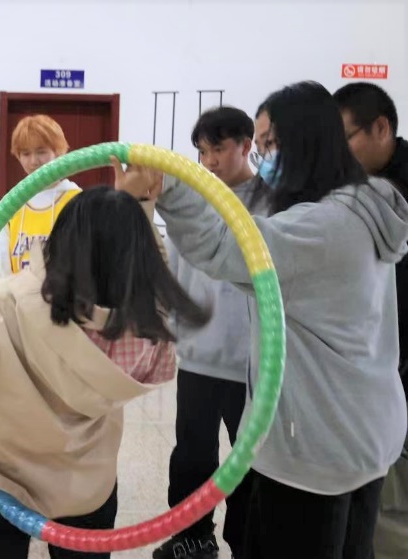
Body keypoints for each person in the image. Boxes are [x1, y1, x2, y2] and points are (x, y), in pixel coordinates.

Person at [114, 81, 408, 559]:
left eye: (269, 144)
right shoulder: (364, 206)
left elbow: (224, 248)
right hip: (363, 434)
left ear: (306, 142)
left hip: (317, 447)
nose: (264, 156)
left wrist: (168, 184)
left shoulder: (324, 226)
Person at [0, 186, 211, 559]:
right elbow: (156, 286)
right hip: (85, 484)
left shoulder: (0, 302)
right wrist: (143, 205)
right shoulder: (145, 330)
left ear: (61, 237)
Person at [153, 106, 269, 559]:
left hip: (251, 361)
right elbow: (178, 269)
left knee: (250, 461)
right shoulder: (195, 196)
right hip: (198, 356)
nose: (209, 160)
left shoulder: (273, 202)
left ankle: (246, 542)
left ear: (245, 145)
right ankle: (193, 538)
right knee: (191, 457)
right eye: (202, 151)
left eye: (218, 149)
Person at [334, 82, 408, 559]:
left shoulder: (390, 195)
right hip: (371, 368)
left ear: (381, 127)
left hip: (397, 368)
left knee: (392, 509)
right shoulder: (350, 190)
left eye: (347, 138)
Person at [0, 114, 81, 277]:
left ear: (58, 152)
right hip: (20, 292)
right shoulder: (11, 204)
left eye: (41, 152)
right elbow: (3, 268)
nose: (34, 161)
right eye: (26, 154)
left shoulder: (77, 201)